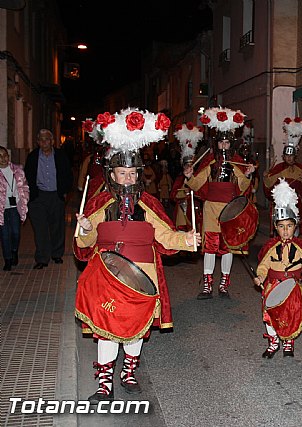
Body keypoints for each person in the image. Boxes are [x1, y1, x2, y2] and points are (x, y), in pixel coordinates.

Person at [73, 108, 201, 404]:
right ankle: (105, 383)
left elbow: (165, 237)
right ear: (112, 174)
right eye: (122, 173)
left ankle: (128, 372)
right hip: (108, 274)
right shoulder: (101, 201)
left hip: (142, 276)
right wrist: (87, 228)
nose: (128, 179)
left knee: (134, 330)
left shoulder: (149, 203)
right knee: (106, 329)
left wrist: (187, 239)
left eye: (132, 174)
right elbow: (84, 245)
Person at [184, 107, 255, 298]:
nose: (223, 146)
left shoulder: (237, 161)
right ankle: (207, 284)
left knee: (227, 247)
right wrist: (190, 177)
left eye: (226, 142)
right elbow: (197, 183)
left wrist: (247, 175)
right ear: (216, 144)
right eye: (221, 142)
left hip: (230, 209)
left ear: (230, 144)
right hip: (211, 210)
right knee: (210, 246)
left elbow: (243, 185)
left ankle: (224, 284)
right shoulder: (209, 161)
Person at [253, 178, 302, 358]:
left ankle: (288, 342)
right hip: (273, 286)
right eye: (281, 227)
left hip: (293, 287)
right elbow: (264, 266)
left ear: (295, 226)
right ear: (275, 227)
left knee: (291, 315)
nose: (286, 231)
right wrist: (260, 277)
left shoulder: (301, 247)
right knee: (270, 315)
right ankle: (273, 342)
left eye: (289, 226)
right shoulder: (270, 246)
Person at [24, 129, 73, 269]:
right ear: (38, 142)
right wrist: (31, 195)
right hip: (38, 196)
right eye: (41, 139)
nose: (44, 142)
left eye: (47, 139)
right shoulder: (33, 156)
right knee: (40, 228)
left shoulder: (60, 156)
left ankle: (56, 254)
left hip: (55, 195)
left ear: (52, 141)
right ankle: (42, 258)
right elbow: (27, 175)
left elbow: (68, 175)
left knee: (57, 226)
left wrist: (64, 192)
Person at [263, 117, 302, 236]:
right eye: (287, 156)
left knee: (295, 233)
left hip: (295, 206)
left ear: (295, 156)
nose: (289, 158)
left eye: (291, 156)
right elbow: (269, 185)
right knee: (280, 233)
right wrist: (266, 176)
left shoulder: (301, 169)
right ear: (283, 156)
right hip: (280, 205)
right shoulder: (278, 169)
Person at [170, 122, 204, 232]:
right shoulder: (180, 178)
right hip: (182, 210)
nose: (189, 167)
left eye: (191, 165)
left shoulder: (199, 176)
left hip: (196, 210)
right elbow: (173, 195)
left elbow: (203, 192)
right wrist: (184, 192)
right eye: (187, 165)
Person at [0, 146, 29, 271]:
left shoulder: (18, 170)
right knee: (5, 235)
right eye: (0, 156)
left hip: (14, 208)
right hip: (2, 209)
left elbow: (25, 187)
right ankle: (7, 259)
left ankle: (14, 251)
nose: (3, 158)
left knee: (16, 233)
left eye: (5, 155)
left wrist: (23, 200)